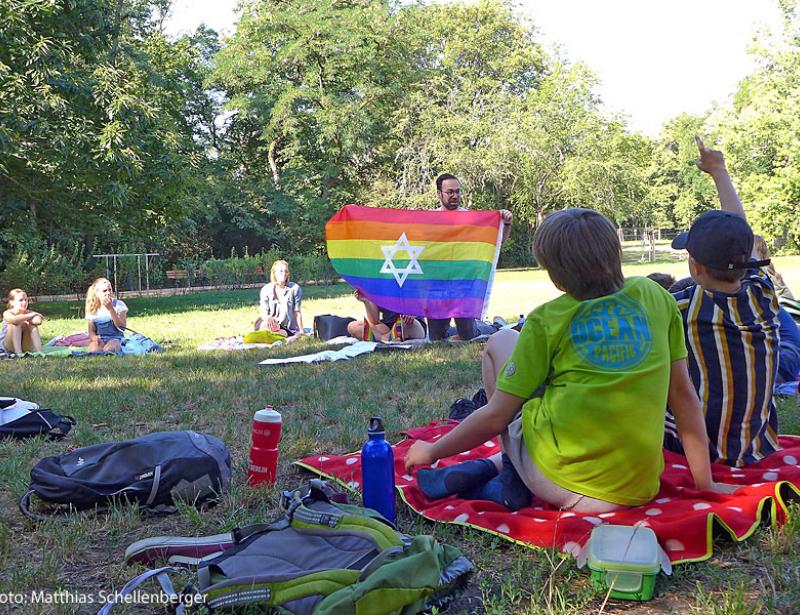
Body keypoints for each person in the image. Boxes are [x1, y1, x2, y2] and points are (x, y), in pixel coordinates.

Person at [405, 208, 735, 513]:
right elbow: (683, 395)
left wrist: (430, 451)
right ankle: (498, 467)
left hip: (567, 486)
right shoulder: (656, 297)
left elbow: (495, 418)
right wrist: (704, 481)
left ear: (556, 276)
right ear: (615, 253)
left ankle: (511, 476)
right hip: (638, 488)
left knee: (500, 340)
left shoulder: (547, 320)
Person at [664, 138, 782, 467]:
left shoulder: (681, 308)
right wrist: (719, 171)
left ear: (695, 266)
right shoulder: (764, 296)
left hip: (699, 451)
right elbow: (740, 229)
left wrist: (717, 171)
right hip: (757, 445)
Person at [427, 173, 513, 341]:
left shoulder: (473, 220)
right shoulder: (429, 221)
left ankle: (495, 327)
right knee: (436, 340)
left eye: (458, 191)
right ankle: (456, 331)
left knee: (469, 336)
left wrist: (506, 223)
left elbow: (497, 242)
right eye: (450, 192)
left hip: (463, 287)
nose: (455, 195)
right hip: (438, 289)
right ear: (439, 194)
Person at [346, 289, 426, 342]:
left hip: (409, 324)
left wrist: (413, 314)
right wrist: (366, 300)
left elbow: (426, 303)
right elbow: (374, 320)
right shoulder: (379, 285)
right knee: (353, 326)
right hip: (387, 326)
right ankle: (386, 338)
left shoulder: (411, 280)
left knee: (403, 323)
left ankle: (383, 338)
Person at [257, 260, 304, 340]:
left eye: (286, 271)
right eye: (281, 271)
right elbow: (263, 310)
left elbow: (297, 312)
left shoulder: (295, 289)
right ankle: (267, 334)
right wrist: (268, 318)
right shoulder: (266, 289)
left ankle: (269, 336)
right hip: (269, 323)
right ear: (274, 273)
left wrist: (302, 331)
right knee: (265, 326)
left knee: (283, 332)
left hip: (285, 327)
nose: (284, 273)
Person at [85, 277, 128, 353]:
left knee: (109, 349)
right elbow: (91, 331)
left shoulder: (119, 305)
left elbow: (122, 327)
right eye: (104, 291)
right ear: (97, 293)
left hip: (116, 338)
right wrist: (95, 338)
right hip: (100, 339)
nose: (108, 293)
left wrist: (111, 309)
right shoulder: (93, 308)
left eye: (110, 290)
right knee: (94, 350)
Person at [1, 289, 43, 354]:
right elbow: (14, 320)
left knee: (32, 324)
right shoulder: (7, 313)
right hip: (8, 346)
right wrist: (32, 314)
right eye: (21, 300)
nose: (24, 302)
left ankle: (39, 352)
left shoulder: (28, 313)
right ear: (12, 302)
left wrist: (31, 318)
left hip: (26, 346)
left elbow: (38, 321)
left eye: (26, 300)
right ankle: (18, 353)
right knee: (16, 324)